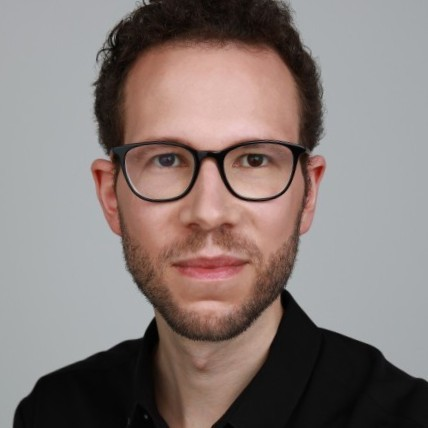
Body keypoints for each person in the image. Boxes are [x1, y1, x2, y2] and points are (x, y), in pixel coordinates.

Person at [14, 0, 428, 427]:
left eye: (253, 160)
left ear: (308, 194)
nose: (209, 213)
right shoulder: (53, 413)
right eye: (167, 160)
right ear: (111, 197)